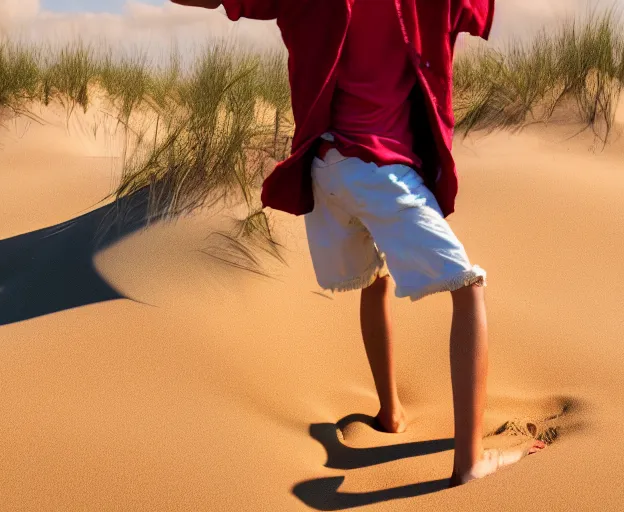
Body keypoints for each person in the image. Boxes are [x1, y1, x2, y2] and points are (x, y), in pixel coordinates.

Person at [170, 0, 545, 486]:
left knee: (377, 277)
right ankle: (471, 462)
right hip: (379, 171)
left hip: (325, 169)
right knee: (468, 288)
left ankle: (391, 412)